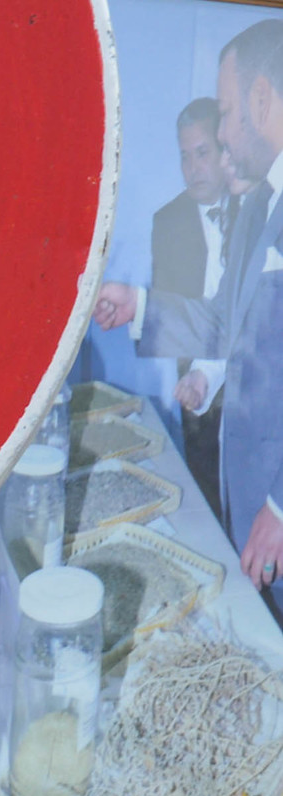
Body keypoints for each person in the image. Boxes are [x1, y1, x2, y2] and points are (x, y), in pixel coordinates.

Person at [99, 18, 283, 581]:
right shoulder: (265, 206)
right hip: (250, 497)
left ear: (260, 97)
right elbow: (228, 325)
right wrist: (137, 304)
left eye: (226, 112)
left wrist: (280, 505)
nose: (223, 133)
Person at [153, 97, 243, 511]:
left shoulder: (258, 213)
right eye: (184, 156)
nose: (192, 167)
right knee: (205, 499)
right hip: (198, 389)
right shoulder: (168, 222)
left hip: (253, 388)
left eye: (202, 152)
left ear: (226, 150)